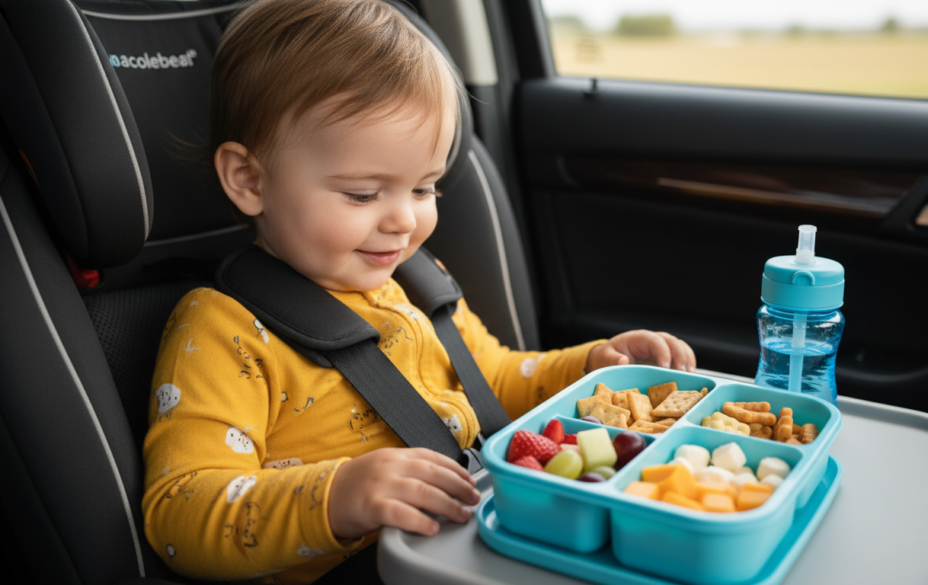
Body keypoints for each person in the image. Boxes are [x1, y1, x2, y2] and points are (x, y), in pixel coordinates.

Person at [142, 0, 697, 583]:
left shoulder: (408, 279)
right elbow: (180, 510)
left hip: (472, 538)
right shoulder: (222, 328)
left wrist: (590, 367)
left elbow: (498, 382)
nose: (404, 221)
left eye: (425, 188)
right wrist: (334, 499)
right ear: (250, 180)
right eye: (362, 194)